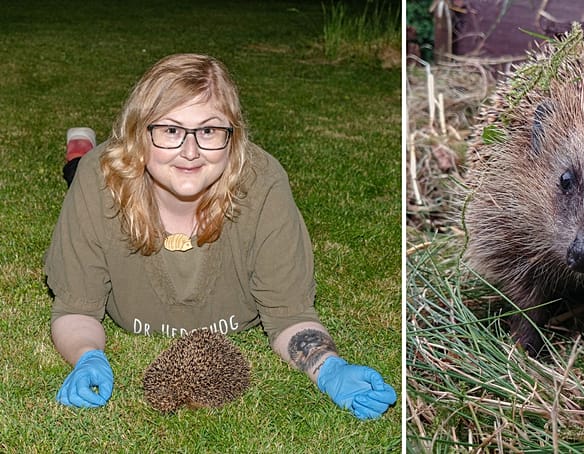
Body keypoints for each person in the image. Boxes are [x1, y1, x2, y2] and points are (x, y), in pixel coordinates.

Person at [45, 53, 396, 419]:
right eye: (170, 130)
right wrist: (87, 356)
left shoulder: (264, 184)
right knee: (81, 172)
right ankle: (79, 152)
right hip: (116, 175)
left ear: (233, 137)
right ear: (139, 132)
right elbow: (75, 309)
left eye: (209, 130)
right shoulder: (98, 182)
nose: (191, 152)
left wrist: (329, 367)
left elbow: (288, 316)